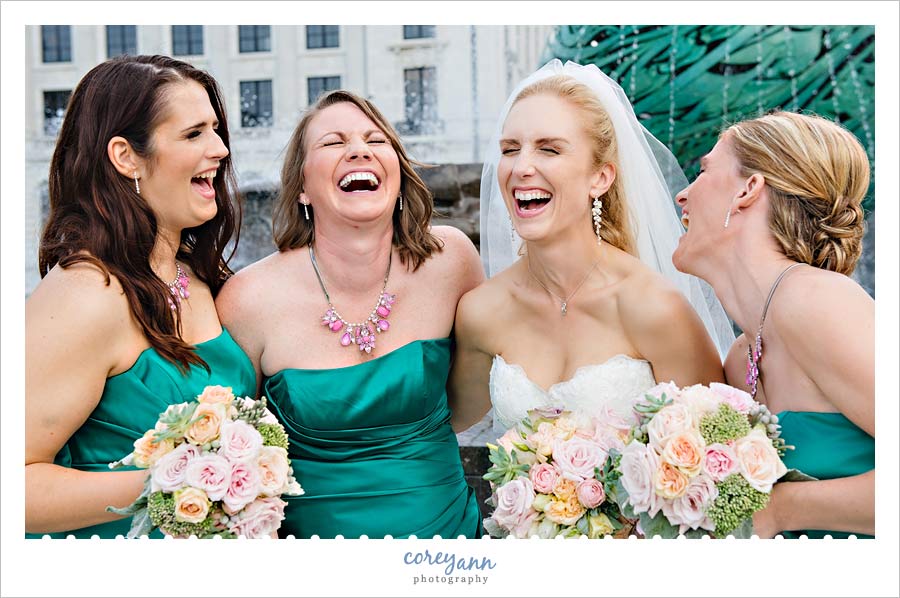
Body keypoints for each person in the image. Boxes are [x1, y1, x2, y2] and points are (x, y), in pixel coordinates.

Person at [216, 90, 484, 539]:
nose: (359, 149)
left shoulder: (452, 261)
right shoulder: (248, 298)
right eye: (332, 142)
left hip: (448, 549)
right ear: (301, 186)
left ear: (397, 172)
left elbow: (469, 397)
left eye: (376, 140)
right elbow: (234, 450)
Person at [25, 55, 255, 538]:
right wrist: (180, 485)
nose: (219, 148)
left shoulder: (197, 277)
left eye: (215, 129)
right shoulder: (83, 293)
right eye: (194, 134)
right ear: (126, 156)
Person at [449, 59, 732, 439]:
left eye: (549, 149)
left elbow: (718, 450)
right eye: (511, 149)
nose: (521, 167)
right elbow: (441, 424)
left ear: (600, 178)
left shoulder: (654, 308)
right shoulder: (481, 312)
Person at [672, 111, 874, 539]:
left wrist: (782, 510)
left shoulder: (818, 302)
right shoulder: (740, 356)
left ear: (748, 189)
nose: (681, 196)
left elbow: (769, 512)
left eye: (703, 170)